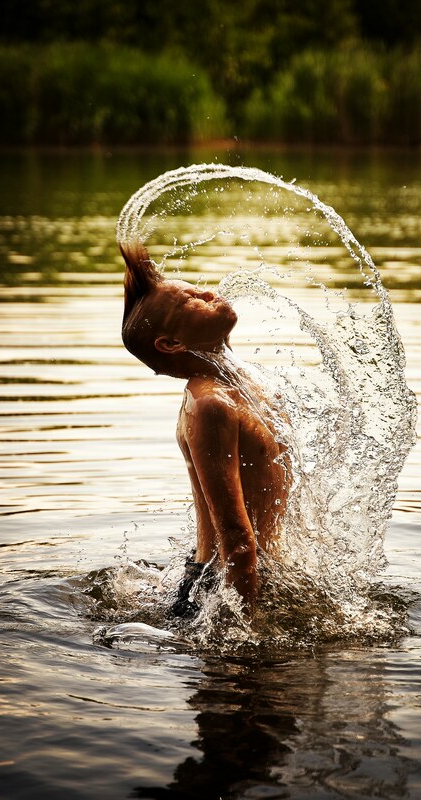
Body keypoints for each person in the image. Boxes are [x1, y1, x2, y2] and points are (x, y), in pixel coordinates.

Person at [120, 242, 290, 614]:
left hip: (257, 574)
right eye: (190, 300)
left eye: (198, 288)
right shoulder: (209, 406)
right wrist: (249, 631)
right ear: (171, 343)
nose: (209, 292)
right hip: (222, 585)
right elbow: (237, 539)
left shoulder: (248, 384)